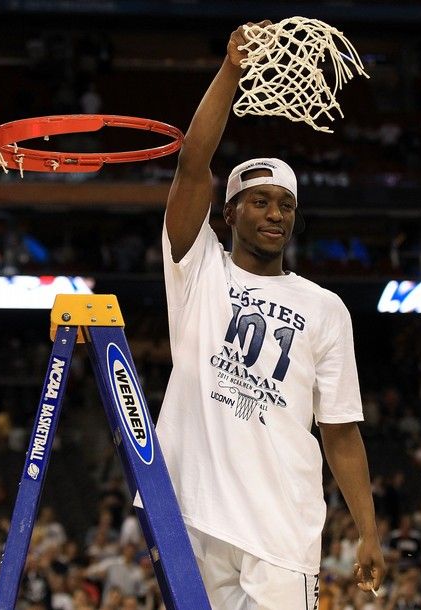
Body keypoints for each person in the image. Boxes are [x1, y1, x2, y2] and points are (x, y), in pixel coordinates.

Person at [156, 20, 385, 610]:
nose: (275, 213)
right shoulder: (198, 268)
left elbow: (339, 431)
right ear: (229, 214)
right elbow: (190, 166)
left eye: (285, 205)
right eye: (259, 201)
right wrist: (232, 69)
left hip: (283, 530)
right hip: (194, 517)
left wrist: (367, 528)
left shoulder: (325, 308)